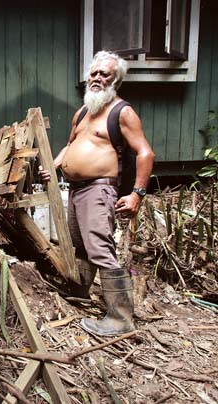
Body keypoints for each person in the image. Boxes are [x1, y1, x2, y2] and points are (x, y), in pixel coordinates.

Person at [39, 51, 155, 336]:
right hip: (76, 190)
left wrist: (137, 194)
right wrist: (54, 166)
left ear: (116, 81)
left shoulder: (122, 112)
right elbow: (70, 145)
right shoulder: (83, 112)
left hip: (99, 189)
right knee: (80, 245)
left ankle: (120, 318)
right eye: (94, 73)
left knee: (101, 249)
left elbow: (145, 152)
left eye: (105, 74)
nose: (98, 78)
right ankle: (79, 291)